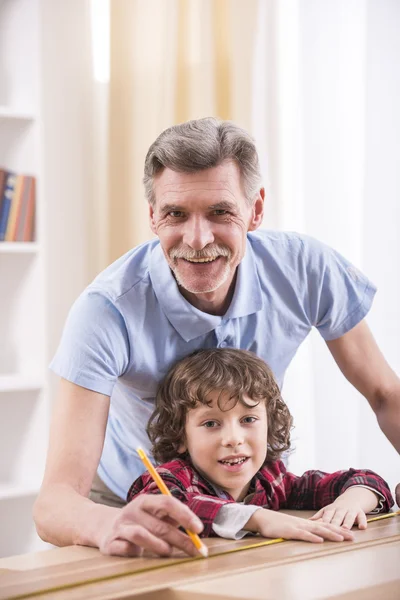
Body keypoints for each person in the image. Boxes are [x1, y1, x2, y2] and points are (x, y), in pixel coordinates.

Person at [33, 117, 400, 558]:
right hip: (131, 504)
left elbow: (384, 393)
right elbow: (54, 504)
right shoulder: (105, 311)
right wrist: (111, 522)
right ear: (152, 216)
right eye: (175, 214)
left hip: (250, 494)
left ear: (255, 210)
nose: (198, 239)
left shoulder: (307, 270)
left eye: (220, 212)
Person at [129, 348, 393, 542]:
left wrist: (350, 502)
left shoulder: (271, 480)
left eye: (248, 419)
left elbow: (367, 480)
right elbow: (159, 508)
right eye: (211, 424)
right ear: (180, 437)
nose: (233, 438)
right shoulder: (172, 478)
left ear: (269, 424)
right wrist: (260, 519)